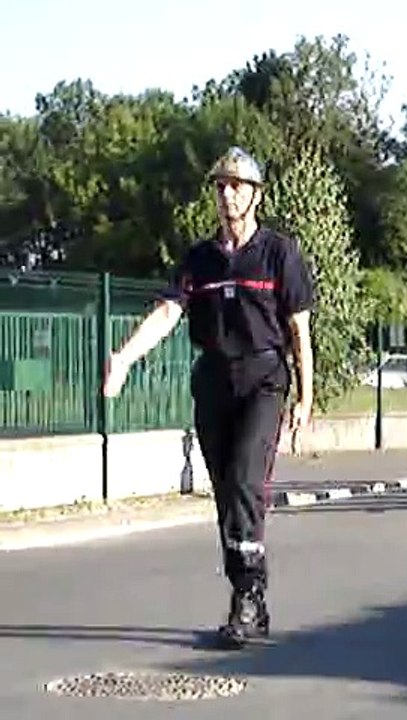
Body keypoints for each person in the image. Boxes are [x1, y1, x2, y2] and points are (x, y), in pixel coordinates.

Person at [102, 146, 315, 648]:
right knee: (225, 492)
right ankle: (248, 595)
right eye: (220, 186)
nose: (226, 194)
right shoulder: (200, 258)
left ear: (255, 194)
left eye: (236, 185)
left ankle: (248, 593)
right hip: (214, 378)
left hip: (264, 378)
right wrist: (125, 357)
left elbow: (299, 331)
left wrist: (305, 400)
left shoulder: (279, 253)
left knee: (245, 478)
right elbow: (168, 313)